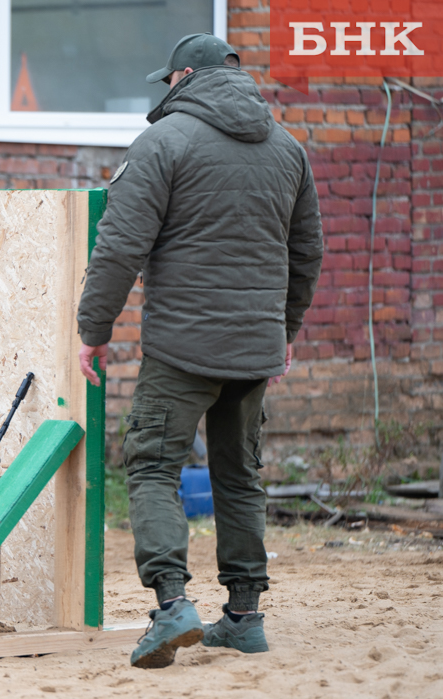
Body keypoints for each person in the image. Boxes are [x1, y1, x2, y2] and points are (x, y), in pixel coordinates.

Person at [76, 33, 323, 668]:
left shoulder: (164, 142)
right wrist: (284, 331)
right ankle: (243, 616)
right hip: (254, 346)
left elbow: (119, 245)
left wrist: (93, 329)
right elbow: (307, 254)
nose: (166, 90)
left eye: (169, 81)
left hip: (182, 347)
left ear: (185, 75)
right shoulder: (289, 149)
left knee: (154, 465)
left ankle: (171, 606)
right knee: (240, 474)